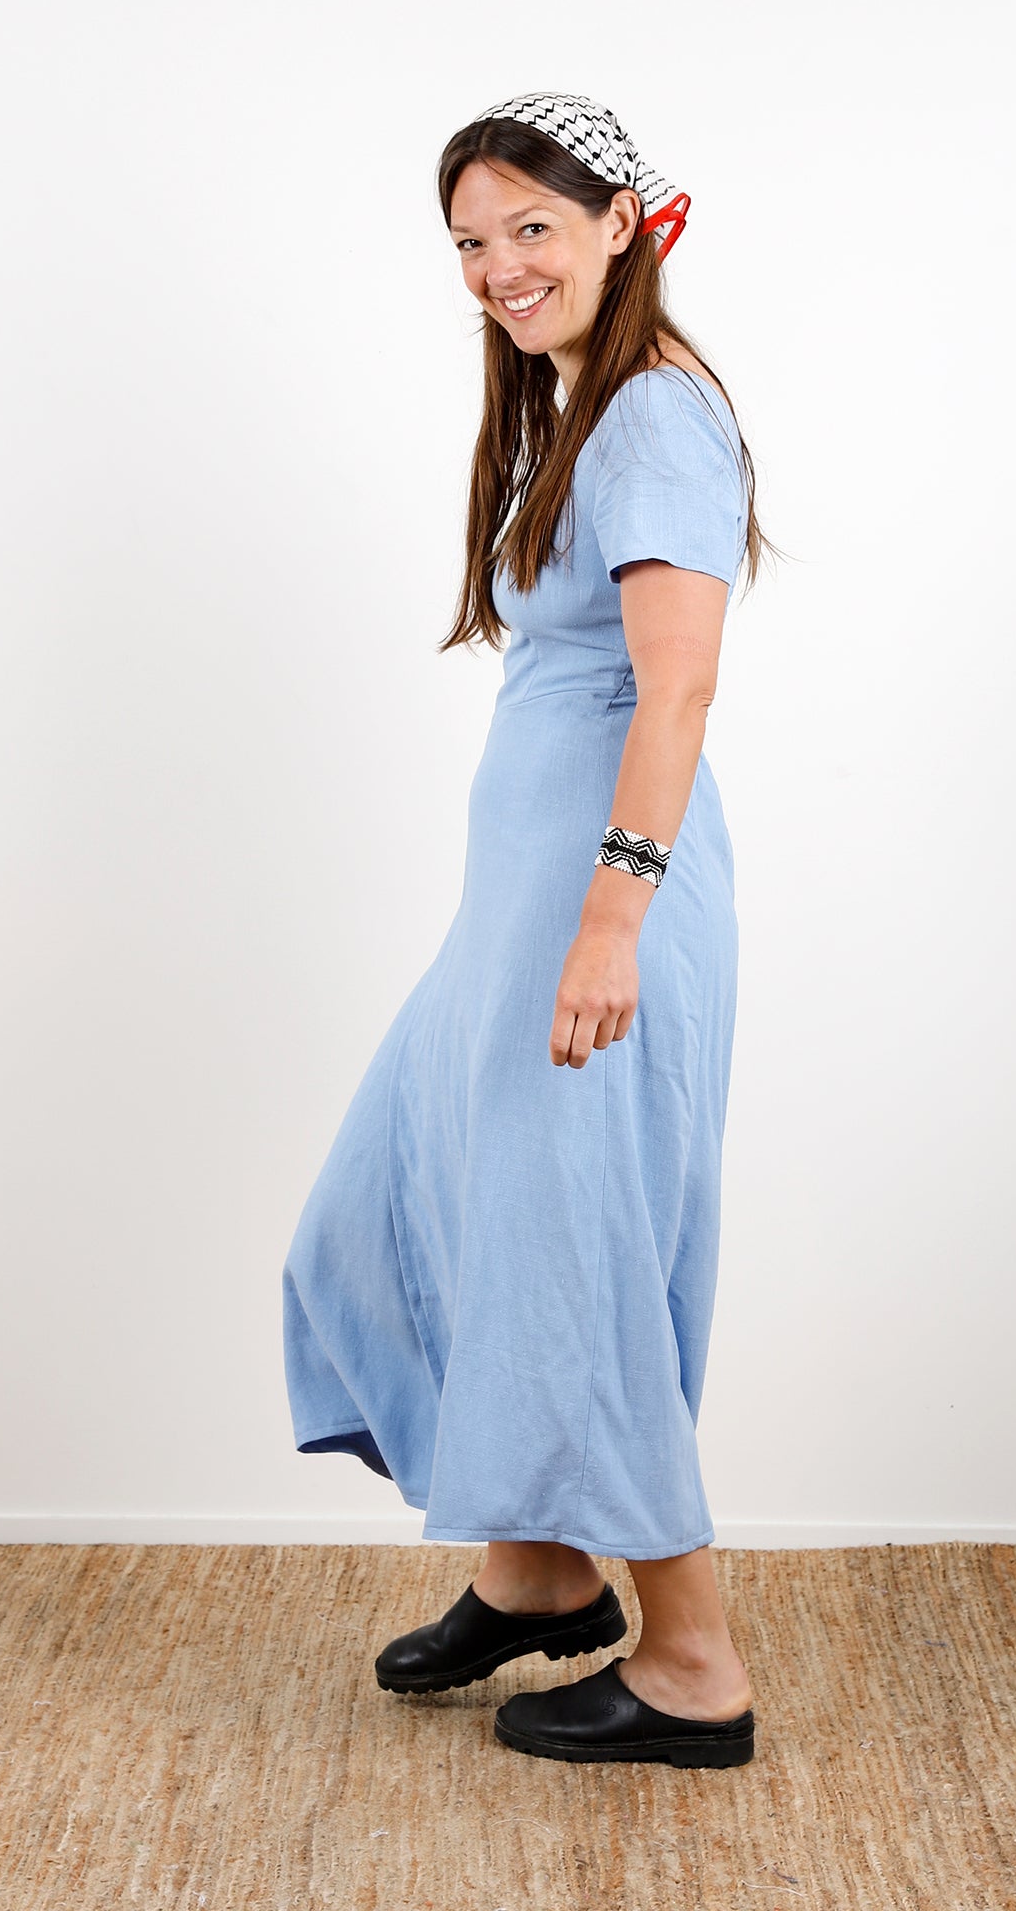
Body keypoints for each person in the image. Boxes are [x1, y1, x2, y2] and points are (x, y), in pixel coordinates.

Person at [280, 92, 774, 1769]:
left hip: (601, 909)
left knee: (577, 1256)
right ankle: (541, 1570)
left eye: (533, 229)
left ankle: (694, 1669)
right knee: (399, 1204)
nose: (500, 267)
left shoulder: (654, 417)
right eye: (472, 242)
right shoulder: (581, 406)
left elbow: (678, 689)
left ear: (624, 222)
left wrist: (610, 922)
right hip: (521, 914)